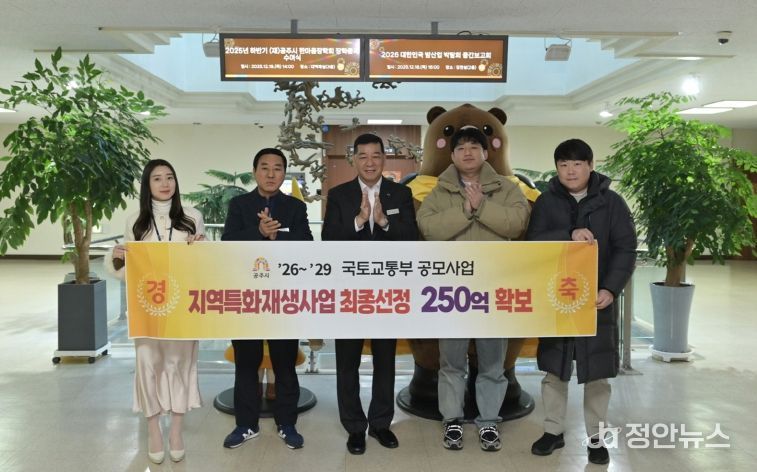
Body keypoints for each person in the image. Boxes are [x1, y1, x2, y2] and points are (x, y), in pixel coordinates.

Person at [416, 126, 529, 452]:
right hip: (453, 293)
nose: (468, 153)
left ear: (485, 153)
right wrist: (466, 209)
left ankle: (489, 421)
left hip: (493, 291)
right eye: (461, 148)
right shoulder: (440, 191)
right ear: (452, 156)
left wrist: (483, 206)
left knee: (493, 362)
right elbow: (428, 227)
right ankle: (451, 420)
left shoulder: (506, 188)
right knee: (451, 362)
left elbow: (517, 223)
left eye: (474, 147)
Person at [527, 138, 636, 465]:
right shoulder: (546, 202)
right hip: (557, 299)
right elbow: (533, 242)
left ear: (590, 165)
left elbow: (626, 249)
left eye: (577, 164)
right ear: (557, 168)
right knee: (554, 370)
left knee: (597, 373)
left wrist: (611, 289)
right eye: (563, 165)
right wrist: (568, 235)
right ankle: (553, 430)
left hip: (597, 300)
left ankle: (596, 438)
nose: (570, 171)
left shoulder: (612, 203)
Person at [321, 133, 418, 454]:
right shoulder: (339, 195)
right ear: (354, 160)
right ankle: (354, 427)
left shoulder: (401, 193)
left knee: (385, 360)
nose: (370, 162)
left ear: (384, 159)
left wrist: (384, 223)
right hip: (349, 293)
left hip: (387, 294)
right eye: (363, 156)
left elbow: (412, 239)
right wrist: (360, 220)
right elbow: (329, 240)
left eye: (376, 155)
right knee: (347, 362)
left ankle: (380, 424)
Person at [106, 159, 206, 464]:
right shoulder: (135, 220)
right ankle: (153, 430)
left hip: (183, 307)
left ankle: (175, 431)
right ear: (147, 185)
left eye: (170, 177)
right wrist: (118, 257)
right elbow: (128, 269)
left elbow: (202, 266)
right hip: (147, 307)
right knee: (148, 365)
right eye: (157, 178)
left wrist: (202, 248)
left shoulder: (192, 217)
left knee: (179, 365)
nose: (165, 183)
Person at [221, 147, 313, 450]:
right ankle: (245, 425)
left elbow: (307, 243)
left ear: (284, 173)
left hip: (283, 296)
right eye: (265, 168)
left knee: (284, 363)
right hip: (247, 295)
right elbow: (228, 242)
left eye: (277, 168)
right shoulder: (239, 204)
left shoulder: (295, 207)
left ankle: (287, 423)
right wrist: (258, 231)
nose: (271, 174)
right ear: (255, 172)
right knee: (246, 363)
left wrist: (277, 236)